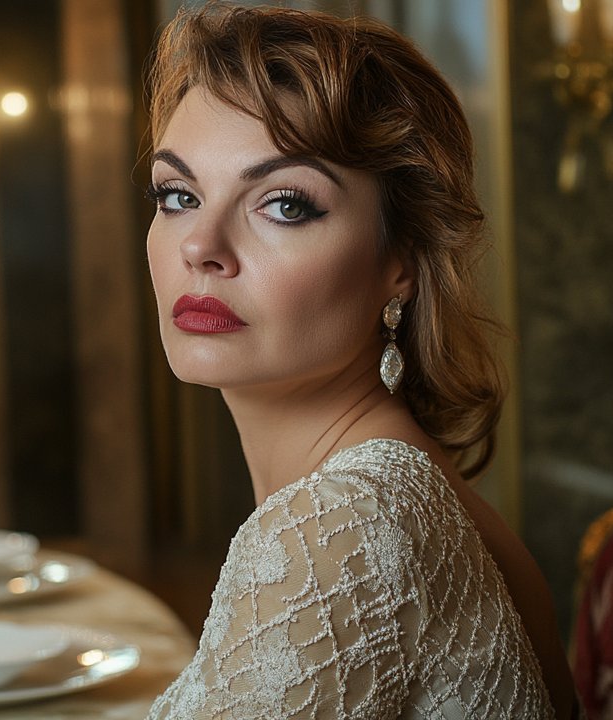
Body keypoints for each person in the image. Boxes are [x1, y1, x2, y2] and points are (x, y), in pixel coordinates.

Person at [142, 4, 577, 718]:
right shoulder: (392, 491)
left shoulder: (346, 522)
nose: (201, 246)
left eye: (284, 205)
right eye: (179, 195)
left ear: (401, 262)